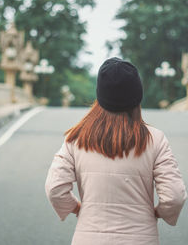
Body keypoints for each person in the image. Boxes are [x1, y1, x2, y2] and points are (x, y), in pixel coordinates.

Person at [45, 57, 187, 245]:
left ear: (100, 95)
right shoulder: (156, 139)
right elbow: (175, 196)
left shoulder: (76, 138)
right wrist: (158, 212)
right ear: (137, 96)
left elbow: (55, 189)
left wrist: (79, 209)